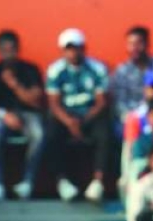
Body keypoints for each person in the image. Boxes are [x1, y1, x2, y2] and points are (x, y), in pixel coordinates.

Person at [44, 28, 111, 202]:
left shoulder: (97, 68)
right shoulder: (55, 70)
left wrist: (83, 120)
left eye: (77, 48)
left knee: (105, 130)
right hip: (65, 117)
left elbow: (101, 101)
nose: (73, 52)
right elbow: (54, 102)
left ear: (84, 48)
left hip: (90, 115)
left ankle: (98, 181)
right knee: (51, 133)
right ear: (63, 50)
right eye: (69, 48)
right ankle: (62, 181)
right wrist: (69, 122)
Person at [0, 30, 45, 201]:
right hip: (2, 116)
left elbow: (35, 101)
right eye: (4, 50)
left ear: (18, 49)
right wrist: (4, 116)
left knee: (39, 134)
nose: (8, 54)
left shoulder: (30, 70)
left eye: (12, 49)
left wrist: (14, 85)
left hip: (28, 114)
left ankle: (27, 182)